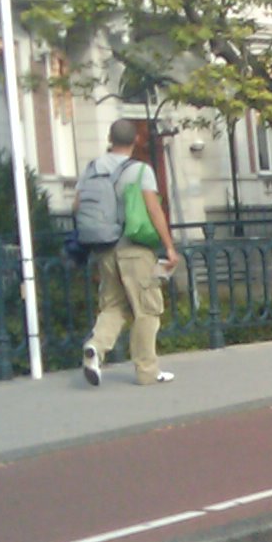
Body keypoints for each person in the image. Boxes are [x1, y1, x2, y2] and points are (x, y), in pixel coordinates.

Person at [79, 119, 180, 386]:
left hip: (104, 248)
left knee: (113, 306)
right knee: (147, 309)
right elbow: (153, 209)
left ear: (109, 139)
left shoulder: (92, 169)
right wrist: (169, 246)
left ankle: (95, 347)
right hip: (134, 248)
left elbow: (78, 204)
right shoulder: (139, 170)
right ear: (136, 140)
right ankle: (147, 371)